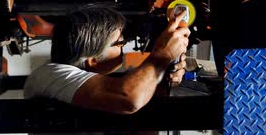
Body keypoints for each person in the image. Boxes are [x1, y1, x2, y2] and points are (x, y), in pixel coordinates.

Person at [23, 7, 190, 114]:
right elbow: (129, 98)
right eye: (119, 43)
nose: (123, 47)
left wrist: (165, 73)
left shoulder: (72, 81)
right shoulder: (48, 74)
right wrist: (163, 55)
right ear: (93, 60)